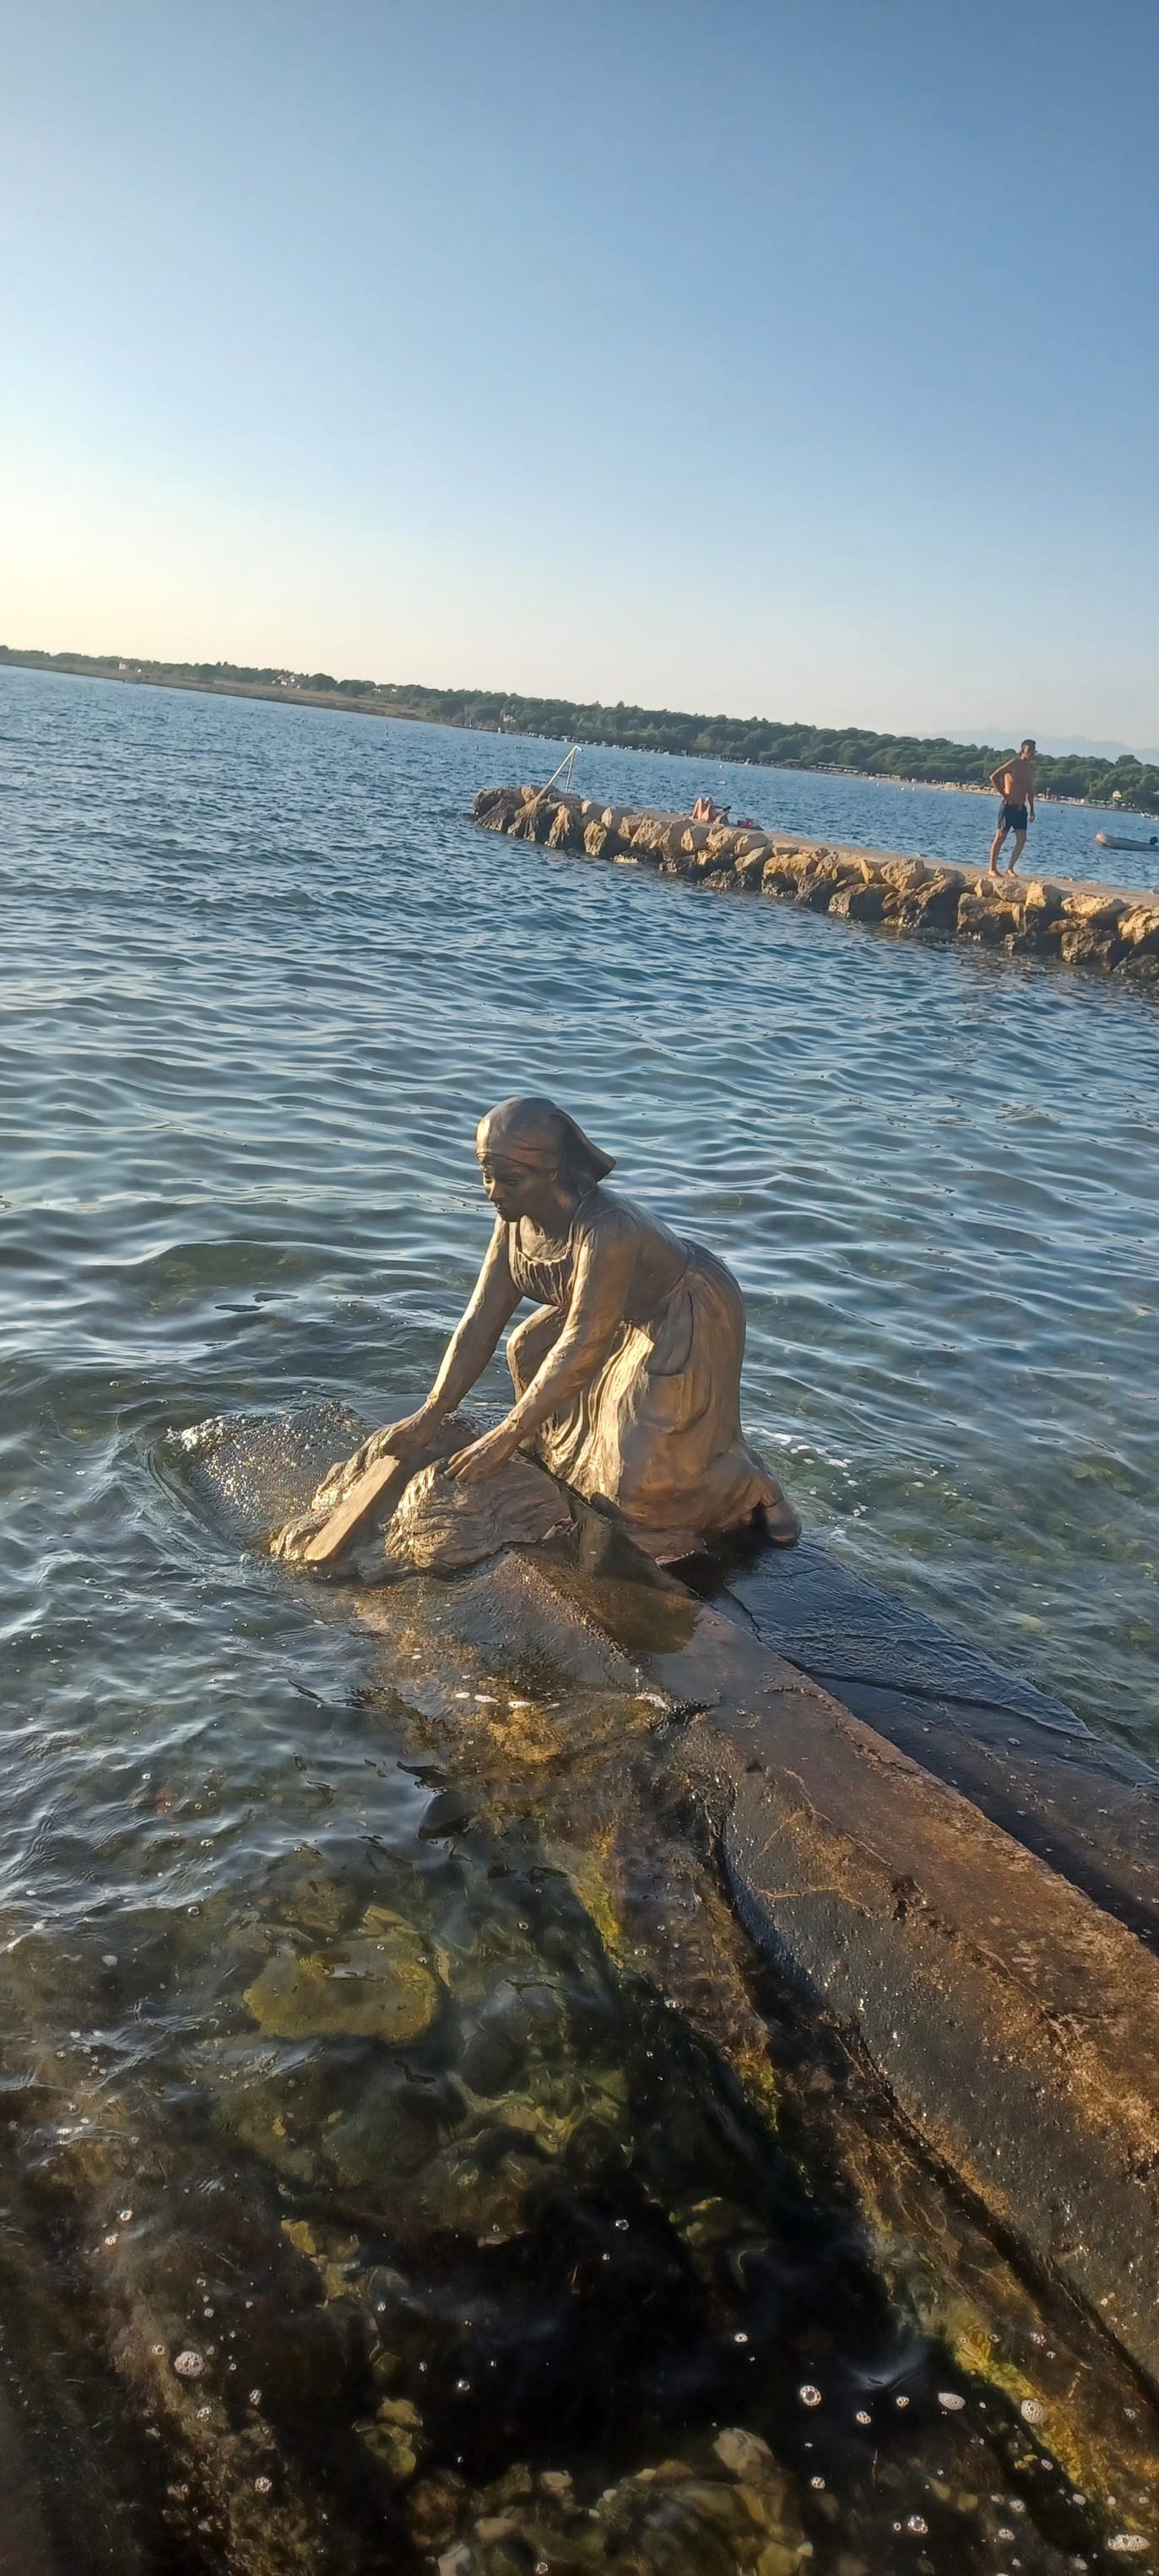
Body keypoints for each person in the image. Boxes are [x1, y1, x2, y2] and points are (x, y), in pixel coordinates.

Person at [342, 1097, 799, 1561]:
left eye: (510, 1179)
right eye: (486, 1174)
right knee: (527, 1349)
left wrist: (504, 1438)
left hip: (681, 1308)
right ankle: (574, 1464)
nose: (493, 1192)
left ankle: (751, 1483)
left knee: (644, 1489)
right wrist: (431, 1413)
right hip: (607, 1308)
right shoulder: (514, 1221)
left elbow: (584, 1343)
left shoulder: (607, 1228)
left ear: (553, 1172)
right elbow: (480, 1321)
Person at [987, 740, 1037, 875]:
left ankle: (1010, 868)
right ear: (1023, 751)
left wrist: (1032, 809)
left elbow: (1030, 791)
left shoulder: (1030, 769)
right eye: (1029, 750)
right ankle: (992, 868)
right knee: (1000, 836)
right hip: (1008, 806)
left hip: (1021, 808)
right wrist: (1004, 794)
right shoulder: (1014, 764)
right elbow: (994, 777)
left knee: (1022, 839)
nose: (1032, 753)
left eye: (1033, 750)